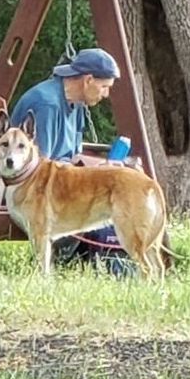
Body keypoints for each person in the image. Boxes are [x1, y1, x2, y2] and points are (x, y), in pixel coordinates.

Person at [9, 47, 136, 276]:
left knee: (124, 187)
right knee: (104, 208)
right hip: (31, 191)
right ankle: (113, 275)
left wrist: (105, 167)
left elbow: (73, 157)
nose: (106, 94)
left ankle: (115, 273)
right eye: (104, 87)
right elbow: (39, 169)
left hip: (60, 183)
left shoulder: (75, 104)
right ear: (88, 80)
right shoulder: (46, 104)